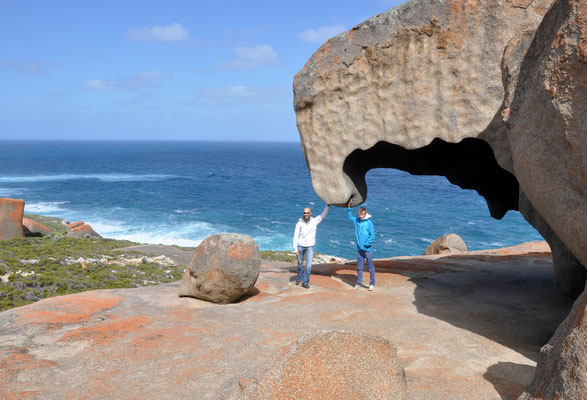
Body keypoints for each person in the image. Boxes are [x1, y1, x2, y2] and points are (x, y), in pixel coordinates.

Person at [292, 204, 330, 289]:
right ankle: (299, 278)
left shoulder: (314, 221)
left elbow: (323, 215)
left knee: (308, 266)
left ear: (310, 213)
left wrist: (328, 206)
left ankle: (305, 282)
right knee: (300, 264)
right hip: (300, 246)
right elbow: (295, 236)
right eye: (305, 213)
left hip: (310, 247)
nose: (306, 214)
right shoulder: (299, 223)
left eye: (308, 213)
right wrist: (295, 249)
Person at [347, 199, 376, 291]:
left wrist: (367, 244)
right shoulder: (357, 221)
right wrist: (348, 207)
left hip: (367, 249)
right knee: (359, 267)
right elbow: (350, 217)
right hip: (360, 249)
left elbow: (372, 235)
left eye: (362, 214)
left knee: (370, 267)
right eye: (360, 214)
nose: (361, 216)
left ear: (365, 214)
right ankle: (358, 283)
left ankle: (372, 284)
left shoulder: (369, 223)